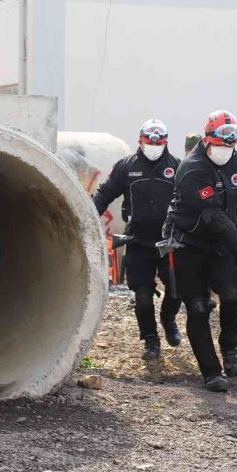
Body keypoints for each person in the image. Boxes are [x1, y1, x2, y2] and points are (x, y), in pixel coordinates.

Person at [163, 110, 237, 392]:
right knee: (198, 307)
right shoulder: (193, 168)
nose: (225, 149)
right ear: (207, 140)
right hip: (187, 244)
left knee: (233, 299)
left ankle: (230, 347)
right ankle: (210, 372)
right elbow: (214, 216)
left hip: (220, 245)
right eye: (220, 143)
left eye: (230, 143)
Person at [93, 119, 183, 360]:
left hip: (169, 241)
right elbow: (104, 194)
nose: (153, 144)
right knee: (142, 295)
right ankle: (151, 340)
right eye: (149, 140)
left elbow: (190, 201)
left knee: (178, 289)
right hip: (138, 241)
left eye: (158, 141)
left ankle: (168, 318)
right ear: (140, 141)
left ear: (166, 142)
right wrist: (89, 214)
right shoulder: (125, 166)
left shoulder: (178, 167)